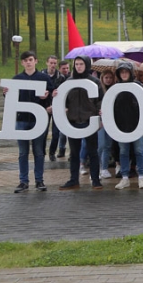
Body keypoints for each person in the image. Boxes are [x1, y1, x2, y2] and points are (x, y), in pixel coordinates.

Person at [4, 51, 53, 193]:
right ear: (22, 63)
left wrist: (47, 97)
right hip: (22, 119)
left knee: (38, 151)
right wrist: (5, 93)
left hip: (39, 119)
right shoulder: (17, 78)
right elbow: (10, 100)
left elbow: (52, 95)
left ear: (36, 61)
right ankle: (23, 181)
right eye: (25, 60)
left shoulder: (43, 78)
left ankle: (39, 180)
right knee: (23, 152)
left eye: (30, 59)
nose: (28, 62)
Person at [59, 56, 103, 190]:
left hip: (89, 121)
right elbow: (64, 100)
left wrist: (99, 117)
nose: (78, 66)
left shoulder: (94, 81)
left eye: (81, 64)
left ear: (87, 65)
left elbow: (100, 101)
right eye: (76, 64)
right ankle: (73, 180)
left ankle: (95, 180)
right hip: (73, 121)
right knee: (74, 153)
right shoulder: (69, 82)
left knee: (93, 152)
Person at [112, 61, 143, 190]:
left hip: (137, 123)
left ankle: (141, 176)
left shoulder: (138, 86)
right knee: (123, 151)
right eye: (121, 72)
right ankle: (125, 177)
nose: (124, 74)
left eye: (126, 72)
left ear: (130, 73)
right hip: (121, 125)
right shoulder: (115, 88)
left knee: (139, 150)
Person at [44, 55, 66, 162]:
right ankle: (41, 152)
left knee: (56, 133)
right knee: (42, 131)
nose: (53, 65)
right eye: (51, 63)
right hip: (44, 107)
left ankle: (52, 152)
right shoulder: (41, 75)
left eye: (54, 63)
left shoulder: (61, 77)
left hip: (56, 107)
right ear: (47, 63)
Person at [96, 70, 116, 180]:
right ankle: (96, 167)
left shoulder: (114, 89)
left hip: (111, 120)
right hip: (101, 120)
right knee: (101, 145)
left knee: (108, 145)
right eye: (106, 77)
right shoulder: (99, 90)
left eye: (110, 78)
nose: (108, 80)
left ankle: (104, 168)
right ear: (102, 79)